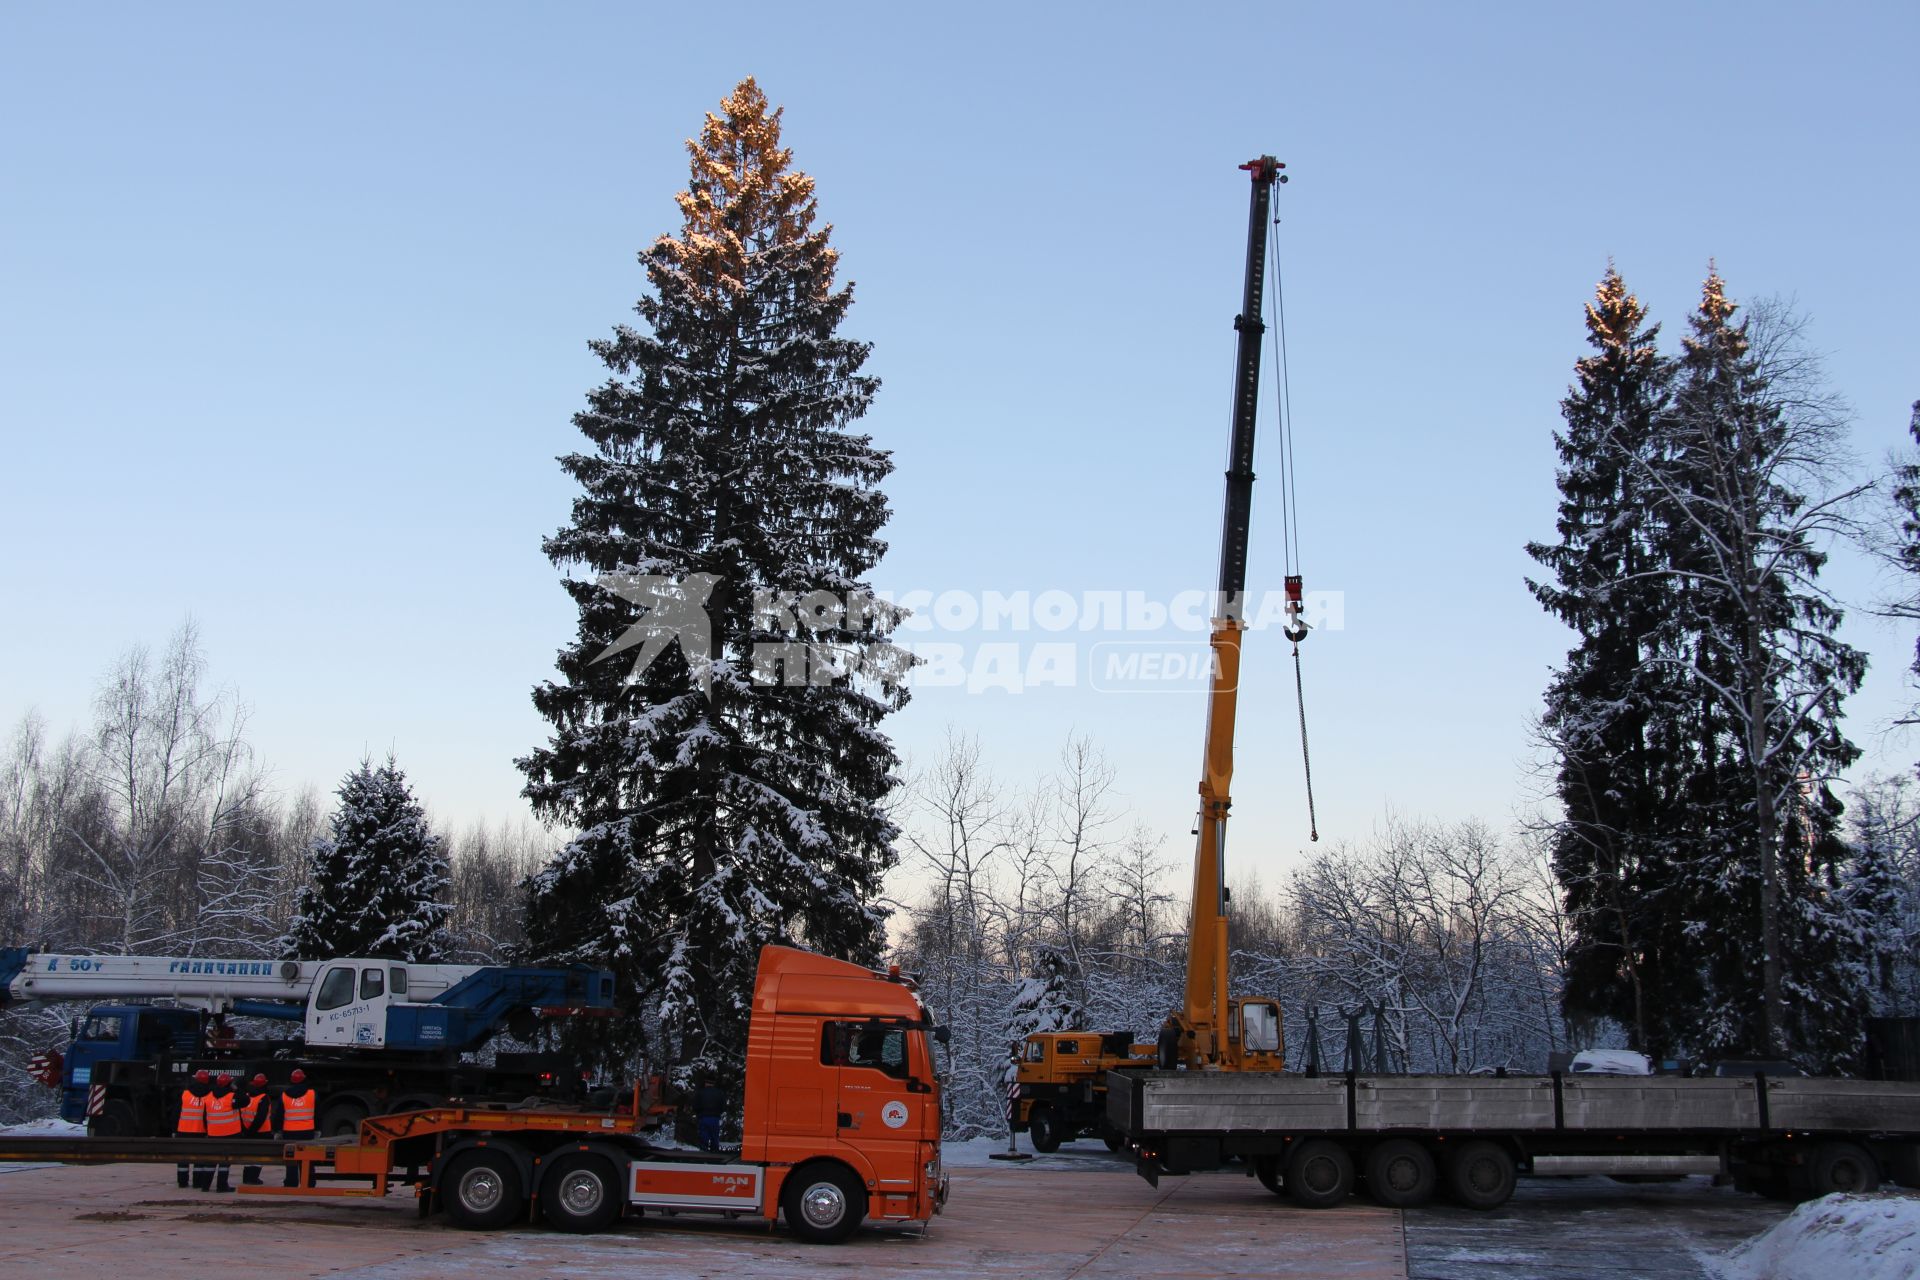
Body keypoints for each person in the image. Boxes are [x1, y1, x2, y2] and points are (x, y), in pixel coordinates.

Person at [201, 1071, 242, 1192]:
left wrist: (207, 1130)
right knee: (225, 1162)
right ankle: (221, 1186)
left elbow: (205, 1116)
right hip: (230, 1134)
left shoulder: (208, 1097)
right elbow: (245, 1100)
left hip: (213, 1134)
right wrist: (236, 1089)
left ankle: (205, 1186)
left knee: (211, 1161)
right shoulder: (232, 1097)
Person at [277, 1068, 316, 1188]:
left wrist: (278, 1130)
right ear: (304, 1079)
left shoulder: (284, 1095)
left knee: (291, 1158)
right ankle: (309, 1183)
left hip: (289, 1131)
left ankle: (291, 1182)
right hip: (307, 1131)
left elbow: (279, 1114)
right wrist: (318, 1129)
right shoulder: (311, 1093)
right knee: (308, 1157)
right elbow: (318, 1113)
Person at [174, 1069, 210, 1190]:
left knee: (183, 1159)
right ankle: (197, 1182)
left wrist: (174, 1129)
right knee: (199, 1159)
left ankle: (182, 1182)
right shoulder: (210, 1096)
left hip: (183, 1131)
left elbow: (176, 1113)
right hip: (201, 1131)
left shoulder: (185, 1094)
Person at [238, 1073, 272, 1186]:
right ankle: (253, 1179)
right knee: (259, 1157)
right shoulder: (263, 1098)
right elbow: (261, 1117)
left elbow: (241, 1113)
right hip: (261, 1132)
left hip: (247, 1130)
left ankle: (247, 1178)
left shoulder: (247, 1096)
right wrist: (252, 1130)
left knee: (248, 1155)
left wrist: (245, 1130)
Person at [693, 1073, 725, 1153]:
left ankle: (704, 1152)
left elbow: (695, 1106)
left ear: (705, 1083)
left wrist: (698, 1113)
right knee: (714, 1136)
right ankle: (715, 1152)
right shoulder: (720, 1093)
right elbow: (723, 1107)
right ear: (713, 1083)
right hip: (715, 1118)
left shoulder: (700, 1093)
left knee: (704, 1136)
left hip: (703, 1117)